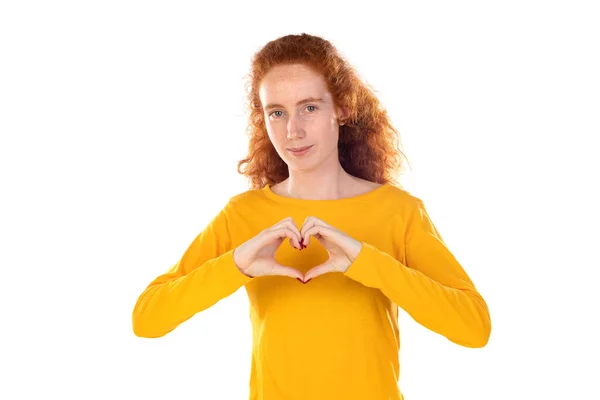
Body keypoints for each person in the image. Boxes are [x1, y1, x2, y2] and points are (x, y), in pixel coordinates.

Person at [131, 33, 491, 400]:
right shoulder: (243, 215)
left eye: (309, 108)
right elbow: (147, 318)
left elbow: (474, 328)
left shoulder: (399, 212)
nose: (293, 131)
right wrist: (236, 264)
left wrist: (367, 261)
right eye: (277, 112)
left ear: (342, 107)